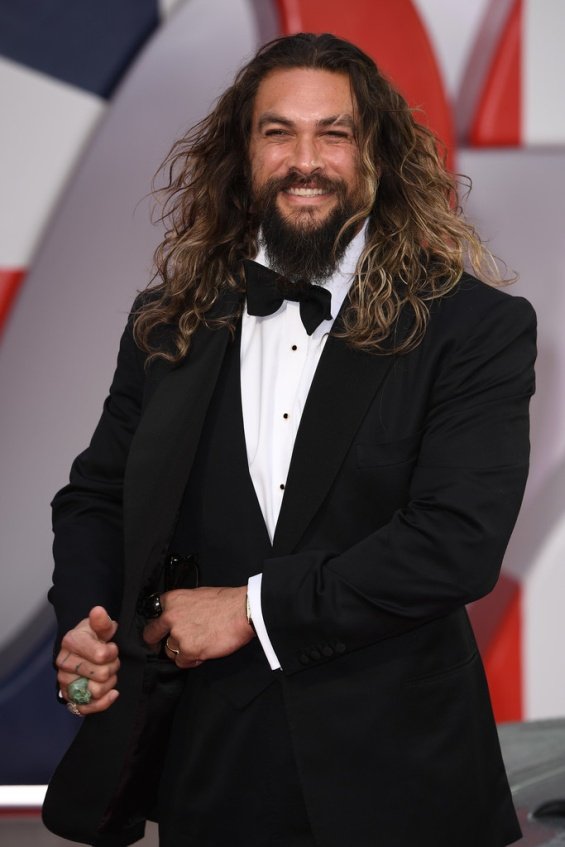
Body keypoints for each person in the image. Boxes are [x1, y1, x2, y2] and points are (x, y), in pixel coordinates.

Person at [43, 32, 535, 847]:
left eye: (332, 133)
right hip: (212, 773)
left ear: (375, 151)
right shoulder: (170, 321)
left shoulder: (472, 326)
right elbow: (98, 494)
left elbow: (456, 541)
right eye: (278, 133)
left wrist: (249, 607)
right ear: (242, 154)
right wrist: (86, 622)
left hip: (405, 778)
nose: (305, 160)